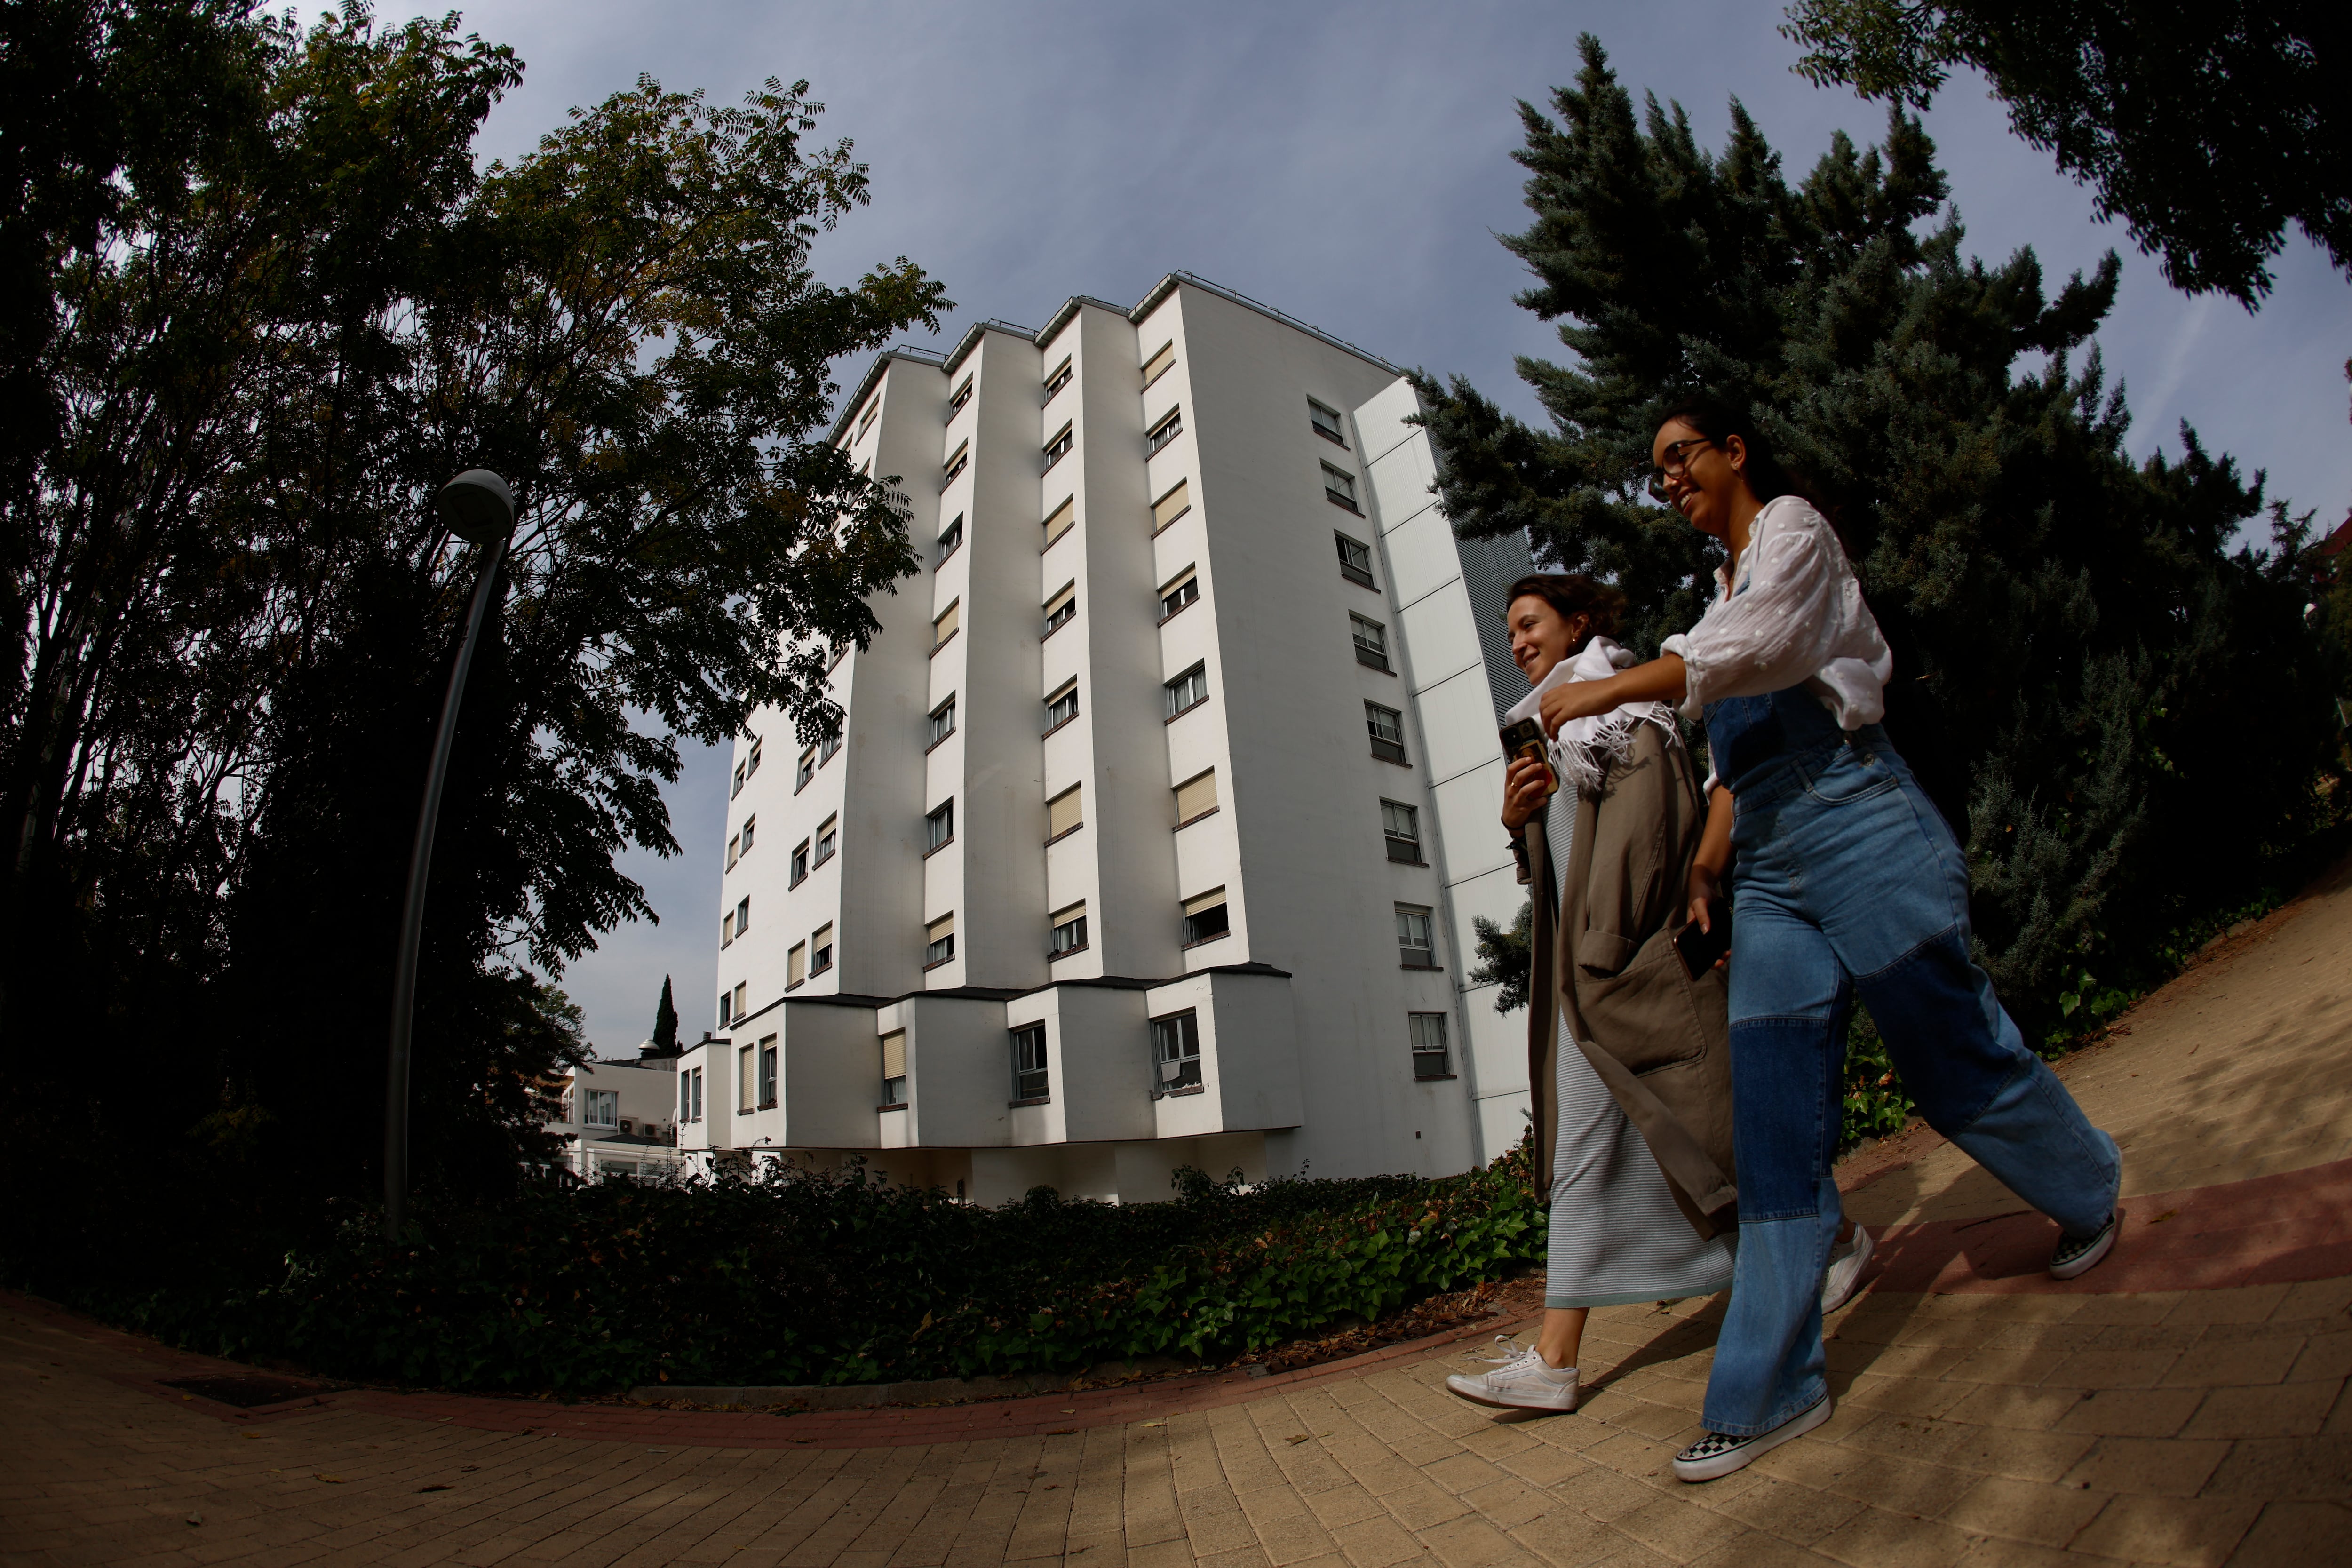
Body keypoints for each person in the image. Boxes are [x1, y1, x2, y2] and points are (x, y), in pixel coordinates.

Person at [1533, 396, 2122, 1481]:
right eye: (1655, 469)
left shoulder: (1793, 533)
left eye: (1681, 456)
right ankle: (1768, 1389)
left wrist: (1611, 682)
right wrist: (1710, 862)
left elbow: (1758, 651)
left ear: (1732, 453)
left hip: (1859, 823)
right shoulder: (1709, 597)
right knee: (1770, 1122)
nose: (1667, 478)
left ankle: (2087, 1186)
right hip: (1770, 874)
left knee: (1948, 1052)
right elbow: (1729, 757)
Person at [1445, 573, 1737, 1415]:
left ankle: (1821, 1244)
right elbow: (1560, 871)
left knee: (1691, 1133)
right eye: (1509, 633)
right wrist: (1516, 826)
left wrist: (1604, 954)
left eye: (1530, 624)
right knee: (1610, 1150)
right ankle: (1556, 1357)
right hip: (1588, 981)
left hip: (1625, 974)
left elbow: (1654, 840)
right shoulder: (1550, 734)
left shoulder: (1621, 714)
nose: (1518, 641)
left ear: (1578, 625)